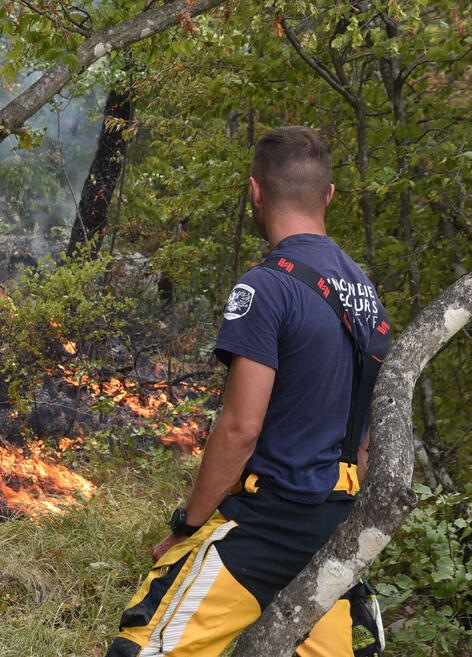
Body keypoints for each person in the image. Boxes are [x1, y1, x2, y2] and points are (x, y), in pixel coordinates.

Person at [105, 126, 389, 657]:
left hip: (267, 525)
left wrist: (189, 525)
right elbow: (366, 440)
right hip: (333, 525)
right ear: (328, 195)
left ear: (256, 192)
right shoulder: (368, 296)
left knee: (142, 648)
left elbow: (240, 428)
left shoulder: (267, 285)